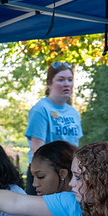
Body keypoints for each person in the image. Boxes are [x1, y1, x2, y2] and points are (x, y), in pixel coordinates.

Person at [24, 61, 82, 194]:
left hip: (69, 173)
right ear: (49, 83)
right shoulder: (41, 110)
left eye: (70, 80)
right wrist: (49, 176)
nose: (67, 84)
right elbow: (37, 150)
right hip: (45, 174)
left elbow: (75, 148)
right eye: (61, 80)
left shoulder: (74, 113)